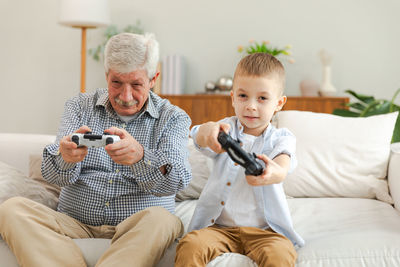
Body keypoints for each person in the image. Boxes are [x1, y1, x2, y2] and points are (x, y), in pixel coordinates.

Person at [0, 33, 192, 267]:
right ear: (106, 75)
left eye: (136, 84)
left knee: (163, 220)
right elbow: (53, 176)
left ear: (153, 79)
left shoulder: (173, 118)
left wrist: (141, 157)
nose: (125, 96)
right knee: (11, 209)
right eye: (116, 83)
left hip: (137, 226)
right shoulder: (79, 106)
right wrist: (66, 158)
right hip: (74, 222)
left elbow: (176, 181)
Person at [175, 53, 305, 267]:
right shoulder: (225, 129)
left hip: (265, 232)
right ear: (233, 97)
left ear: (279, 103)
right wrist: (207, 131)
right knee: (191, 245)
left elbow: (284, 162)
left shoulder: (282, 138)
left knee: (281, 255)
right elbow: (199, 135)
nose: (251, 106)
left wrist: (274, 173)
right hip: (218, 229)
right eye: (243, 96)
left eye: (262, 98)